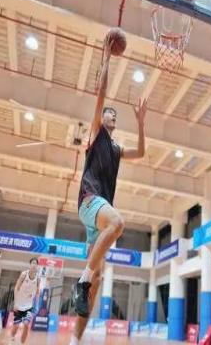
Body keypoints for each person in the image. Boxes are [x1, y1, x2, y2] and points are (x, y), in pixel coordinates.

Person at [69, 31, 147, 345]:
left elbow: (141, 153)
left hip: (96, 216)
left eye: (114, 114)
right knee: (118, 223)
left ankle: (75, 339)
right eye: (107, 113)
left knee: (97, 282)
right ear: (101, 119)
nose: (111, 114)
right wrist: (106, 56)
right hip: (90, 200)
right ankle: (82, 278)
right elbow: (101, 93)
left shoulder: (116, 148)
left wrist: (141, 124)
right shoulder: (95, 134)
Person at [9, 257, 40, 345]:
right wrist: (15, 303)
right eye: (33, 263)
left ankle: (22, 343)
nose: (34, 265)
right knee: (16, 326)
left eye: (36, 263)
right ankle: (12, 338)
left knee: (26, 324)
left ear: (37, 266)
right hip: (19, 305)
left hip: (29, 306)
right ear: (30, 265)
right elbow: (16, 287)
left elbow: (38, 292)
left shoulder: (38, 278)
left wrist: (37, 304)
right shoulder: (24, 274)